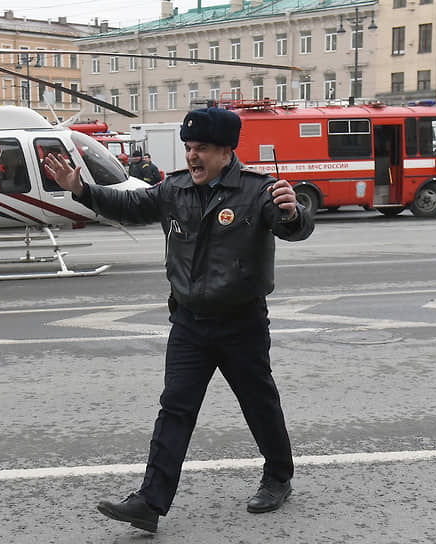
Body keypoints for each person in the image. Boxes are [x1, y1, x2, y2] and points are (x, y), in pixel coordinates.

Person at [44, 107, 314, 533]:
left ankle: (279, 476)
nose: (192, 156)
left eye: (202, 148)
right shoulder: (175, 190)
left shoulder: (257, 191)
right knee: (175, 408)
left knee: (258, 403)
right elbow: (130, 205)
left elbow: (292, 227)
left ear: (226, 152)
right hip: (189, 322)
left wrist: (294, 212)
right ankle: (150, 502)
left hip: (241, 321)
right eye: (189, 147)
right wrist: (81, 188)